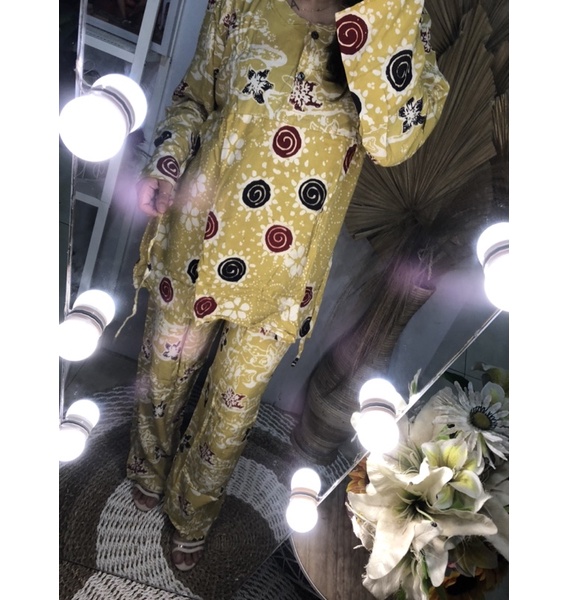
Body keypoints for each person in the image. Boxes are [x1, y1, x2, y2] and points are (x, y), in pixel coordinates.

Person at [125, 0, 449, 572]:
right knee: (163, 372)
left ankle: (191, 512)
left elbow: (393, 142)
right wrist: (168, 161)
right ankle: (147, 467)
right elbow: (196, 95)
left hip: (284, 272)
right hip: (195, 237)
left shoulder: (395, 22)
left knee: (232, 409)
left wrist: (378, 15)